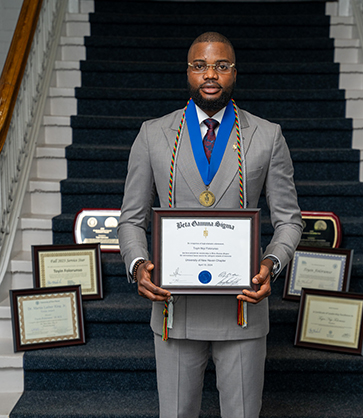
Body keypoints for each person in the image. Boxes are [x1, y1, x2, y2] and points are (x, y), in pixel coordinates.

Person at [117, 32, 302, 418]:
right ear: (188, 72)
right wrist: (138, 267)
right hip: (174, 309)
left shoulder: (268, 136)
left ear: (235, 72)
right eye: (200, 65)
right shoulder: (152, 134)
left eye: (221, 65)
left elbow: (289, 221)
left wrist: (272, 265)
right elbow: (131, 220)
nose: (210, 74)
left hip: (243, 311)